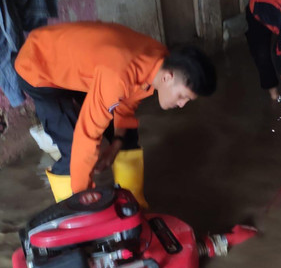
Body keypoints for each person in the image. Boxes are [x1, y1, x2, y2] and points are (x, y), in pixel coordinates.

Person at [14, 21, 216, 205]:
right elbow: (87, 135)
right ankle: (73, 214)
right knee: (73, 145)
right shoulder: (118, 75)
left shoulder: (158, 61)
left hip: (82, 67)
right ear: (168, 78)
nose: (181, 105)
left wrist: (117, 143)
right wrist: (84, 196)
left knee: (127, 134)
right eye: (183, 97)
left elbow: (127, 100)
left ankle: (133, 203)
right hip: (39, 65)